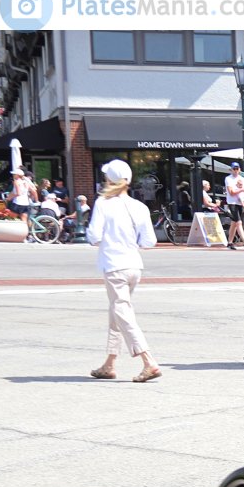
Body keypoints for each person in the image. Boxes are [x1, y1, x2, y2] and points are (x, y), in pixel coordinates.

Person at [85, 159, 162, 382]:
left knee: (122, 313)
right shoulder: (139, 206)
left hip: (114, 264)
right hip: (133, 265)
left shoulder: (103, 203)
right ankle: (109, 363)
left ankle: (148, 360)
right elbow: (149, 241)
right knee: (117, 313)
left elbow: (94, 235)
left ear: (109, 180)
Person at [223, 162, 244, 250]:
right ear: (231, 169)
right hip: (232, 203)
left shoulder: (242, 179)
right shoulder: (228, 179)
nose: (235, 170)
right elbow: (231, 192)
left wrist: (241, 193)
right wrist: (241, 190)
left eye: (237, 168)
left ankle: (230, 242)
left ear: (239, 169)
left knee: (234, 223)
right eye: (234, 169)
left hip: (240, 202)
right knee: (239, 222)